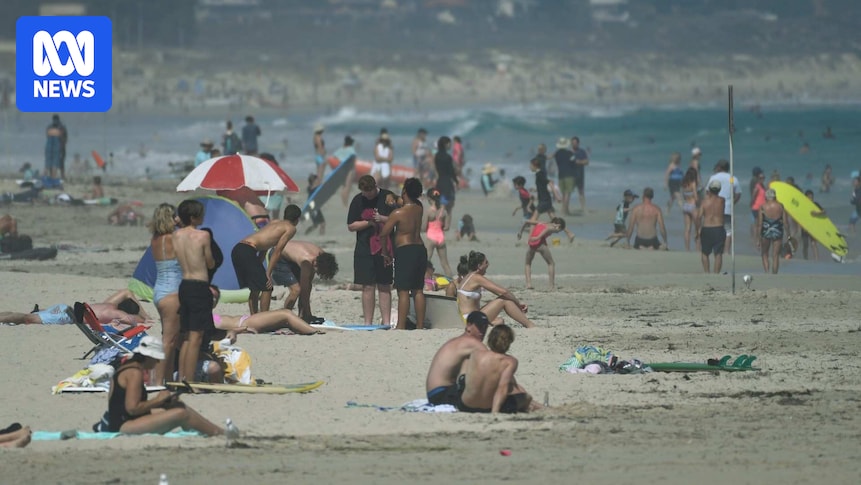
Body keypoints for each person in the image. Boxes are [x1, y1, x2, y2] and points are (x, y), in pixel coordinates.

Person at [97, 336, 223, 436]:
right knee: (182, 413)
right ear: (148, 357)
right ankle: (218, 433)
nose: (157, 363)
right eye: (156, 359)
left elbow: (122, 405)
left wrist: (163, 403)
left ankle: (216, 431)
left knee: (179, 406)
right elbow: (132, 409)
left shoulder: (126, 368)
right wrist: (158, 399)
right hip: (123, 425)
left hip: (122, 419)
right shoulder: (134, 373)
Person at [173, 199, 217, 382]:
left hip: (184, 285)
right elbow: (209, 262)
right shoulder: (202, 236)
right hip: (199, 286)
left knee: (185, 336)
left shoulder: (175, 236)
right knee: (196, 337)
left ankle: (182, 377)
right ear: (193, 217)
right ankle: (190, 381)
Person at [231, 205, 300, 315]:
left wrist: (260, 266)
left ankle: (254, 318)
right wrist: (268, 273)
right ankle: (264, 319)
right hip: (248, 250)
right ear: (297, 219)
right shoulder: (290, 228)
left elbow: (265, 246)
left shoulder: (275, 222)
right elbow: (277, 252)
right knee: (267, 287)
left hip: (238, 248)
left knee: (255, 288)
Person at [347, 175, 396, 326]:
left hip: (384, 248)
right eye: (364, 192)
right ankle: (368, 323)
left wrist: (381, 218)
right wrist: (368, 223)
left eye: (369, 192)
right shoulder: (358, 200)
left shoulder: (387, 197)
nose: (367, 195)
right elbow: (351, 226)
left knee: (384, 285)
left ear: (375, 186)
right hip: (364, 247)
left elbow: (398, 219)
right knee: (367, 286)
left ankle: (386, 322)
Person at [381, 178, 428, 330]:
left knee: (403, 290)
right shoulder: (419, 207)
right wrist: (393, 197)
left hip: (405, 250)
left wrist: (385, 252)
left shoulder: (398, 213)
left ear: (405, 191)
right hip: (420, 249)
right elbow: (403, 200)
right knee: (418, 290)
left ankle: (401, 326)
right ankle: (420, 326)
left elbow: (384, 233)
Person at [457, 324, 536, 414]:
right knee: (526, 397)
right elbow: (502, 388)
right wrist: (495, 412)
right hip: (487, 409)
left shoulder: (476, 354)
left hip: (465, 406)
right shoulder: (510, 361)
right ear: (509, 342)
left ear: (490, 339)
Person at [425, 311, 489, 406]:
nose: (482, 331)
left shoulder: (459, 341)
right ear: (469, 326)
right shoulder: (471, 343)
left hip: (435, 394)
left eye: (485, 327)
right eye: (479, 327)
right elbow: (492, 362)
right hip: (441, 394)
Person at [149, 203, 182, 384]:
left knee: (170, 338)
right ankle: (157, 380)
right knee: (168, 341)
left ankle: (167, 378)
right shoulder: (174, 238)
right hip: (172, 293)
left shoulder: (155, 239)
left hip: (159, 290)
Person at [456, 251, 534, 328]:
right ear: (479, 266)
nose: (488, 264)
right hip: (469, 320)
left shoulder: (468, 277)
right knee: (504, 300)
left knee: (500, 321)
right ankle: (529, 325)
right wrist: (518, 304)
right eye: (486, 262)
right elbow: (504, 292)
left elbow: (497, 292)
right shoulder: (476, 277)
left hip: (467, 317)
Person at [271, 241, 339, 320]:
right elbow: (303, 290)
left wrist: (307, 314)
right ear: (315, 265)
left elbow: (308, 286)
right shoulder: (307, 262)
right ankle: (283, 317)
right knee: (296, 290)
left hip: (291, 257)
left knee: (307, 287)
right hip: (278, 255)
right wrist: (309, 312)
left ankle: (303, 315)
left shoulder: (322, 257)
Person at [518, 217, 567, 290]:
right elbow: (547, 229)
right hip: (540, 243)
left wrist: (520, 232)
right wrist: (538, 237)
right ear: (558, 226)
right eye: (559, 230)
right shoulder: (553, 226)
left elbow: (526, 222)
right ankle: (551, 286)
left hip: (532, 243)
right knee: (551, 263)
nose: (558, 232)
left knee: (528, 263)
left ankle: (528, 284)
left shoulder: (542, 222)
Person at [706, 159, 742, 253]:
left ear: (719, 167)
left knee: (715, 227)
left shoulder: (714, 178)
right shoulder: (733, 178)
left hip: (714, 207)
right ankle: (726, 251)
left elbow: (707, 192)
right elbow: (738, 194)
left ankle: (716, 249)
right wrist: (732, 203)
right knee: (728, 230)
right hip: (728, 208)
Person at [213, 308, 322, 335]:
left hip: (245, 320)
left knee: (284, 319)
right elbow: (215, 331)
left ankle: (307, 328)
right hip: (245, 323)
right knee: (286, 313)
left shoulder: (207, 316)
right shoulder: (205, 319)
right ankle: (313, 331)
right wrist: (242, 330)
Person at [757, 189, 790, 274]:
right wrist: (788, 235)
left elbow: (760, 224)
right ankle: (774, 274)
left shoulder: (763, 207)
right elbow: (786, 222)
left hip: (766, 231)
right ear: (775, 196)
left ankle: (767, 272)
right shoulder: (780, 206)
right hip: (778, 230)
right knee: (775, 255)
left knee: (764, 253)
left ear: (766, 197)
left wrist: (758, 238)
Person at [423, 188, 453, 277]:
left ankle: (425, 282)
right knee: (445, 263)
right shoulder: (443, 211)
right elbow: (446, 227)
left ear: (429, 199)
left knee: (426, 262)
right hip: (441, 237)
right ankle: (451, 282)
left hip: (431, 237)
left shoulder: (428, 211)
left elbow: (424, 227)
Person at [698, 180, 726, 273]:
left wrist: (697, 230)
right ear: (719, 189)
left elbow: (699, 216)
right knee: (718, 253)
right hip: (718, 228)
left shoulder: (704, 202)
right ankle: (716, 273)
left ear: (709, 189)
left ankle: (707, 272)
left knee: (705, 252)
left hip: (707, 228)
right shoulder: (722, 200)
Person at [433, 136, 459, 220]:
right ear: (446, 144)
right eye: (449, 144)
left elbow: (436, 169)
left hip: (440, 182)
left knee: (440, 204)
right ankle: (446, 226)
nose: (450, 146)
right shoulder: (448, 157)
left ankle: (438, 223)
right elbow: (451, 171)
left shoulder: (436, 156)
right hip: (447, 182)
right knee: (449, 207)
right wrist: (456, 181)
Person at [529, 150, 559, 221]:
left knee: (534, 218)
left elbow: (550, 182)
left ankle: (531, 232)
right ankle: (567, 231)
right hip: (545, 199)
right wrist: (534, 189)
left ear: (535, 166)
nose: (529, 167)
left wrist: (556, 196)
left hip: (544, 200)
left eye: (530, 165)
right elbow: (542, 186)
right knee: (554, 219)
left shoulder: (540, 174)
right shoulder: (538, 174)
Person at [551, 137, 576, 215]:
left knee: (563, 193)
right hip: (569, 174)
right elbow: (573, 162)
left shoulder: (557, 153)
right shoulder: (570, 153)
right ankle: (565, 210)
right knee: (568, 193)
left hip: (561, 175)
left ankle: (564, 209)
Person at [799, 190, 826, 261]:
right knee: (805, 245)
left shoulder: (816, 204)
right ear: (806, 197)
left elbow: (824, 211)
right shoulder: (802, 205)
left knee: (814, 244)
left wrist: (817, 213)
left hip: (813, 227)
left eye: (812, 197)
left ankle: (817, 259)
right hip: (805, 227)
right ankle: (805, 259)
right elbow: (799, 216)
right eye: (809, 197)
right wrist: (801, 226)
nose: (811, 198)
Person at [333, 135, 358, 206]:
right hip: (350, 169)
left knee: (344, 187)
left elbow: (334, 156)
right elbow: (353, 158)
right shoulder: (351, 149)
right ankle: (345, 203)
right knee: (348, 186)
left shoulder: (341, 149)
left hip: (342, 170)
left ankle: (344, 202)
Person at [259, 152, 284, 220]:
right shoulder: (276, 171)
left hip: (266, 197)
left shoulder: (261, 171)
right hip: (277, 197)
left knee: (264, 215)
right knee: (275, 217)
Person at [680, 167, 700, 251]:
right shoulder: (693, 183)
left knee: (687, 229)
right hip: (692, 206)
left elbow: (683, 196)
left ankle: (687, 249)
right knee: (698, 229)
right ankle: (698, 249)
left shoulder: (684, 183)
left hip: (685, 206)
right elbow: (695, 197)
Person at [570, 136, 589, 213]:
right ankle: (566, 207)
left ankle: (583, 208)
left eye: (575, 143)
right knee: (568, 191)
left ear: (578, 143)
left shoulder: (582, 152)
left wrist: (579, 162)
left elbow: (587, 162)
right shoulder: (569, 152)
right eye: (572, 143)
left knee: (581, 191)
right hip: (571, 175)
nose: (574, 144)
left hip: (580, 174)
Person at [45, 115, 65, 179]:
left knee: (48, 164)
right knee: (55, 164)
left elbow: (47, 136)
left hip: (49, 145)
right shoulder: (61, 127)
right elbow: (63, 138)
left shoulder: (49, 128)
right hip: (57, 145)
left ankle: (46, 178)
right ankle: (53, 178)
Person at [749, 167, 767, 243]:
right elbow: (754, 194)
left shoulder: (755, 182)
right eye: (761, 177)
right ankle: (756, 239)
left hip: (758, 206)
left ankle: (755, 239)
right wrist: (752, 202)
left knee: (756, 224)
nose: (762, 179)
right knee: (757, 224)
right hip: (757, 207)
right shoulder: (756, 183)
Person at [312, 123, 327, 189]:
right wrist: (323, 155)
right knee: (320, 174)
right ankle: (317, 186)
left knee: (318, 172)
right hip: (320, 156)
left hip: (317, 156)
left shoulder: (315, 137)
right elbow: (320, 147)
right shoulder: (318, 138)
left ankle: (316, 186)